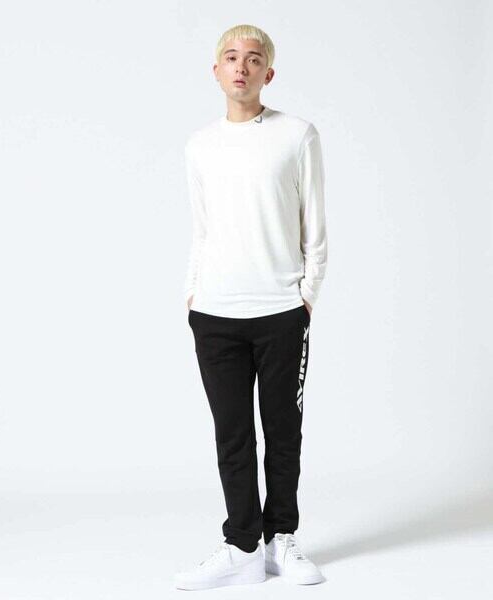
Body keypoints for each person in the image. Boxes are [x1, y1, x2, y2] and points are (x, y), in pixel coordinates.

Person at [175, 23, 327, 590]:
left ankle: (280, 538)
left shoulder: (297, 135)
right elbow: (203, 229)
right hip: (215, 314)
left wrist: (305, 297)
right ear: (216, 71)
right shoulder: (199, 146)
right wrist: (192, 292)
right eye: (231, 57)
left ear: (269, 72)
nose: (242, 67)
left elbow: (315, 227)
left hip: (280, 311)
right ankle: (241, 544)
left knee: (283, 431)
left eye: (254, 58)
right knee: (232, 434)